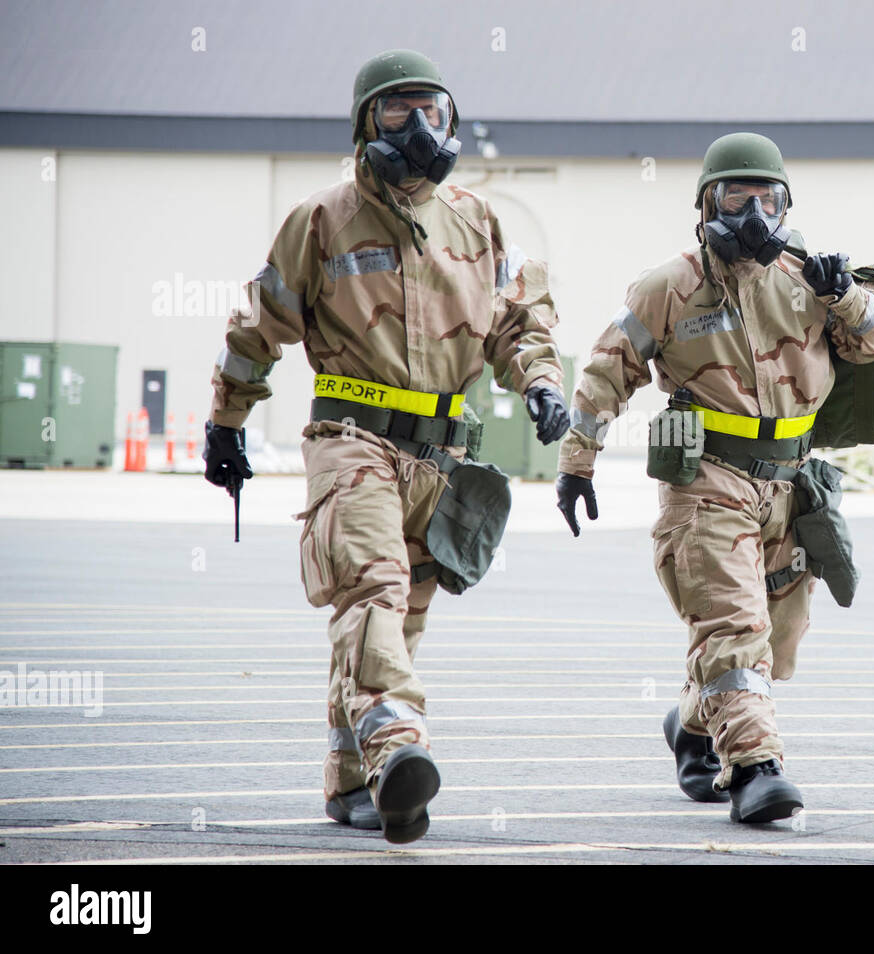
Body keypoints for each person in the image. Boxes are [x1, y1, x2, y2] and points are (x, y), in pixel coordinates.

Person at [203, 50, 568, 843]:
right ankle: (401, 752)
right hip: (351, 442)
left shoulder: (477, 220)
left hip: (439, 461)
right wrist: (226, 422)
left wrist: (540, 379)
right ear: (367, 122)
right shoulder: (321, 220)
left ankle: (351, 781)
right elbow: (259, 327)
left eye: (433, 110)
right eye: (400, 110)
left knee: (395, 624)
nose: (421, 127)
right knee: (371, 592)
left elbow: (517, 323)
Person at [555, 133, 874, 823]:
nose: (753, 212)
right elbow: (605, 372)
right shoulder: (668, 287)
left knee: (777, 636)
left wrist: (847, 297)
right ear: (706, 205)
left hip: (790, 484)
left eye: (768, 198)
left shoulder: (812, 277)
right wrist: (577, 461)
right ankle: (754, 769)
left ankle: (690, 723)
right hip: (707, 484)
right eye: (736, 197)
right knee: (733, 624)